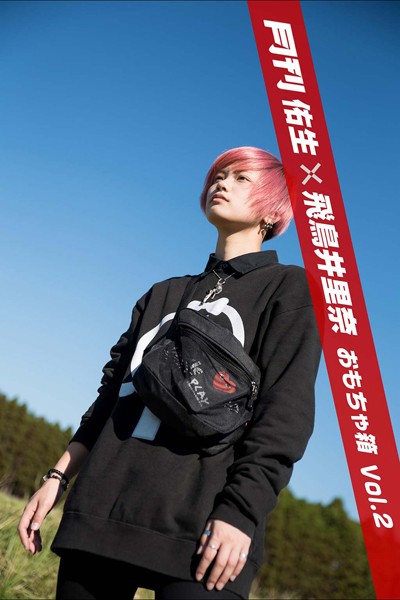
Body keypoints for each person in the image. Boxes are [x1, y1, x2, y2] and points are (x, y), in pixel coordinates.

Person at [17, 146, 322, 599]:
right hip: (103, 508)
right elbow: (111, 395)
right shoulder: (162, 293)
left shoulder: (289, 289)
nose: (221, 183)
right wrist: (57, 477)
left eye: (241, 178)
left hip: (203, 525)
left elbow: (285, 414)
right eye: (219, 176)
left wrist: (240, 512)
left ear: (274, 209)